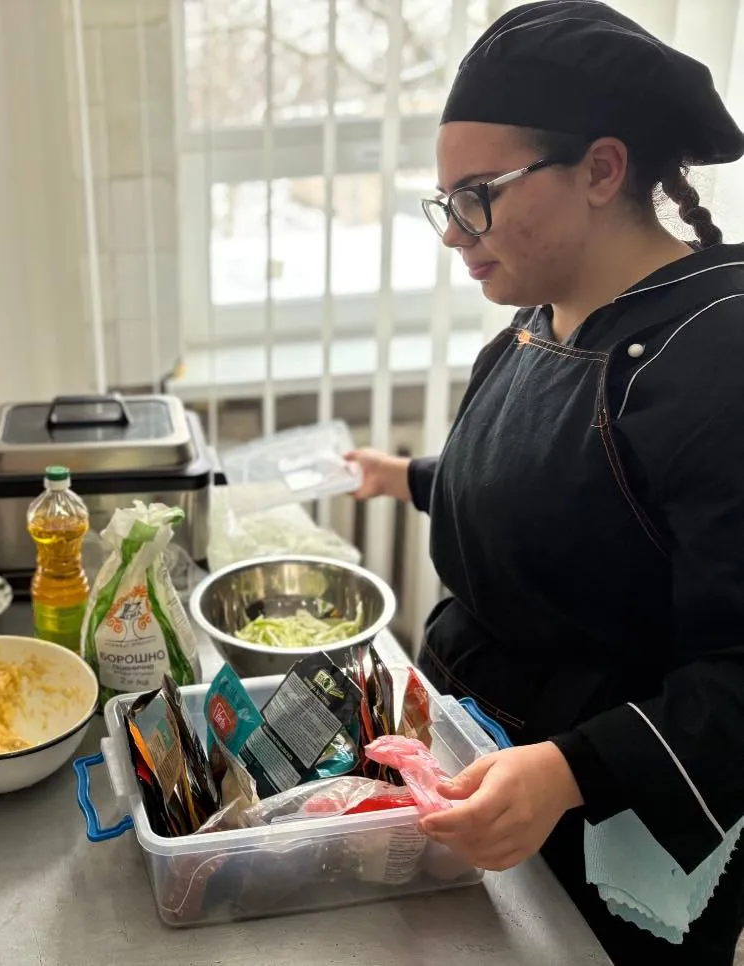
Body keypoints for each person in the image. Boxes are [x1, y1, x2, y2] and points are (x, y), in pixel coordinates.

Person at [349, 1, 744, 962]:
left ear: (602, 170)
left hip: (606, 814)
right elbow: (546, 500)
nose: (456, 232)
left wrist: (568, 772)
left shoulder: (719, 356)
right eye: (446, 202)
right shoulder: (540, 318)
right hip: (480, 757)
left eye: (477, 194)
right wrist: (404, 476)